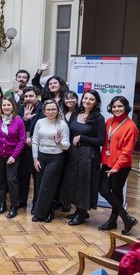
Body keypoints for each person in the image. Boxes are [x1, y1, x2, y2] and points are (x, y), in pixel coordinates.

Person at [61, 90, 105, 226]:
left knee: (84, 183)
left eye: (91, 99)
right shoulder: (76, 113)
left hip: (88, 155)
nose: (87, 101)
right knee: (73, 181)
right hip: (74, 154)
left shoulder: (98, 118)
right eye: (86, 98)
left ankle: (81, 212)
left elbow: (101, 140)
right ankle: (78, 209)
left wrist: (82, 138)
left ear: (96, 102)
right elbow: (69, 131)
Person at [98, 96, 138, 234]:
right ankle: (125, 218)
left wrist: (116, 167)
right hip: (107, 162)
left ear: (126, 107)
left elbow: (127, 151)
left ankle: (113, 220)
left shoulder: (131, 126)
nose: (117, 109)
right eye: (114, 106)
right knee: (104, 190)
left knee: (115, 191)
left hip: (120, 166)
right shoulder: (109, 121)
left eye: (120, 106)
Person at [31, 99, 70, 223]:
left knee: (48, 186)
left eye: (54, 109)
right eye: (48, 109)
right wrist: (35, 159)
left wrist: (59, 143)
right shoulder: (40, 122)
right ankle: (47, 211)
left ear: (58, 110)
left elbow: (67, 145)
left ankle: (42, 213)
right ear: (44, 111)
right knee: (41, 184)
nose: (51, 111)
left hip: (56, 158)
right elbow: (35, 141)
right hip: (41, 157)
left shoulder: (62, 124)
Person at [0, 98, 26, 218]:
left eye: (8, 105)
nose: (6, 107)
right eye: (4, 105)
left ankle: (14, 205)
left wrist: (14, 156)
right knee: (1, 180)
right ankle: (2, 202)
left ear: (13, 106)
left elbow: (22, 140)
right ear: (1, 107)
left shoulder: (19, 121)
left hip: (12, 156)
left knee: (12, 180)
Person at [17, 87, 45, 211]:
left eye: (31, 96)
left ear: (37, 96)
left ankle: (36, 204)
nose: (28, 99)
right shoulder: (20, 108)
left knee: (37, 178)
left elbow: (44, 128)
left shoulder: (44, 109)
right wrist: (25, 119)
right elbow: (16, 126)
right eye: (26, 96)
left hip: (39, 149)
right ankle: (22, 200)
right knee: (23, 177)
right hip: (23, 148)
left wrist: (32, 138)